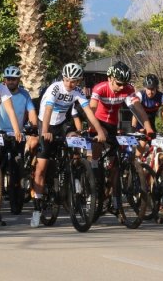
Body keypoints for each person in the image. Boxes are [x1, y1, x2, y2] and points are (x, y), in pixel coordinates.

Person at [32, 63, 106, 226]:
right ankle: (37, 209)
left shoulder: (78, 92)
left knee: (75, 141)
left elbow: (89, 113)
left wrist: (99, 130)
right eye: (67, 80)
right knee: (41, 167)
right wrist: (45, 131)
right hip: (46, 123)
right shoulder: (55, 88)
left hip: (62, 124)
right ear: (63, 78)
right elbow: (48, 110)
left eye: (73, 81)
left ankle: (75, 176)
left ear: (78, 81)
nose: (69, 84)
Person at [89, 61, 155, 163]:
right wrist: (96, 128)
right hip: (98, 122)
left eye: (125, 84)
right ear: (110, 78)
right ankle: (93, 168)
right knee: (97, 150)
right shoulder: (100, 88)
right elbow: (92, 109)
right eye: (119, 84)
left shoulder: (128, 89)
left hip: (113, 124)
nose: (122, 87)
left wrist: (149, 128)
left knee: (115, 161)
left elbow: (139, 109)